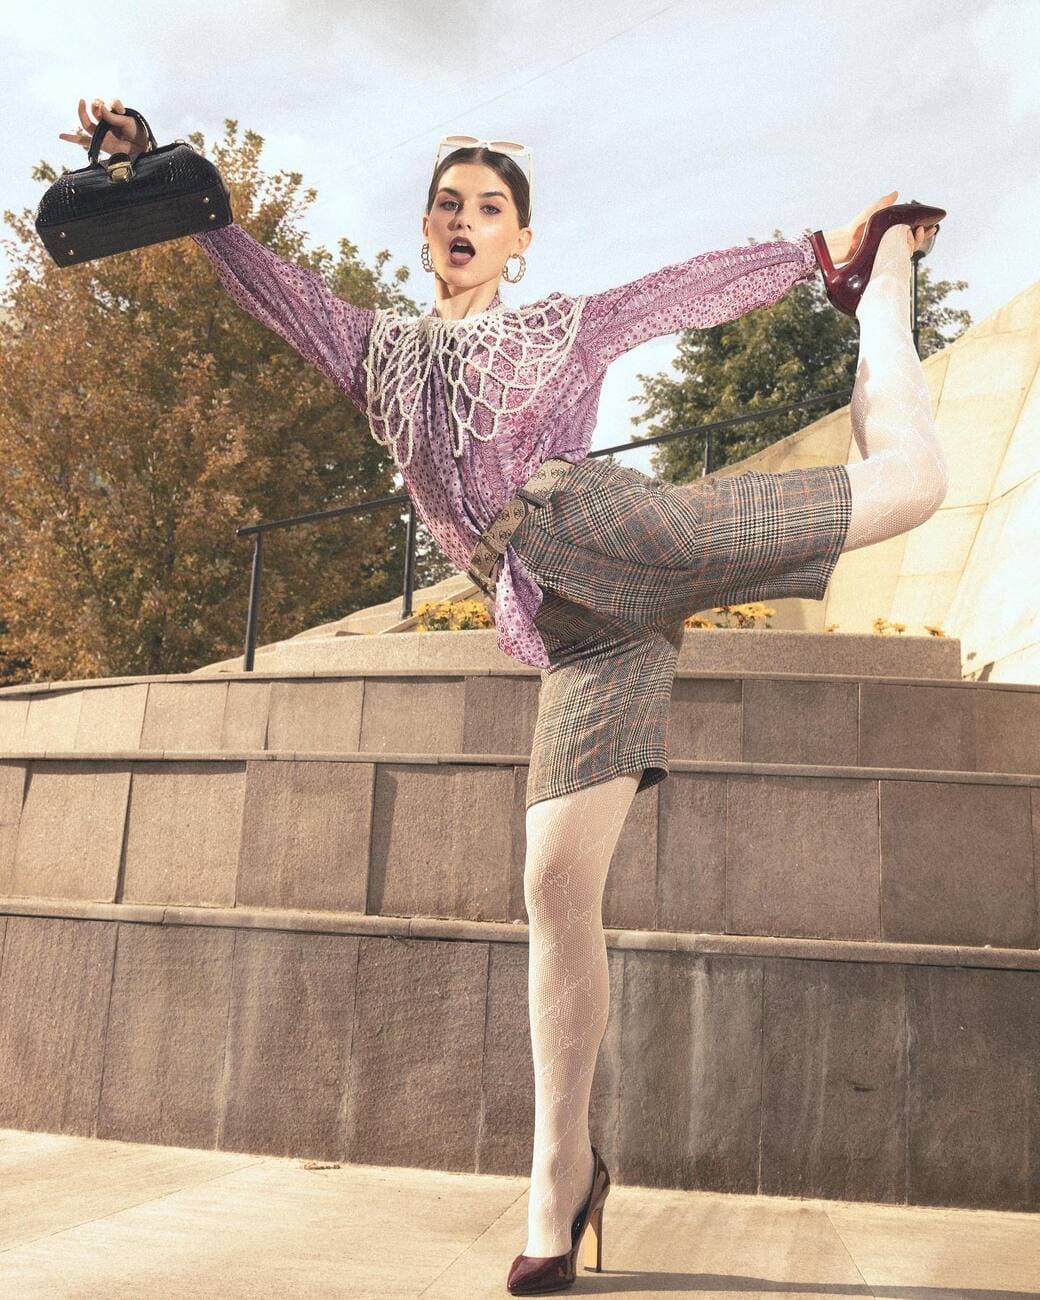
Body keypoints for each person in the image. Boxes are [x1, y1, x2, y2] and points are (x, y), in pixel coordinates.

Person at [61, 98, 946, 1295]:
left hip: (615, 533)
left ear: (519, 239)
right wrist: (166, 174)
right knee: (553, 881)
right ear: (425, 230)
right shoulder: (377, 353)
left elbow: (672, 294)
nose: (464, 220)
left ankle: (880, 274)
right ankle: (559, 1180)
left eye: (489, 207)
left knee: (912, 482)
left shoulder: (554, 327)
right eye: (447, 205)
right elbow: (266, 281)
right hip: (582, 637)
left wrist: (815, 254)